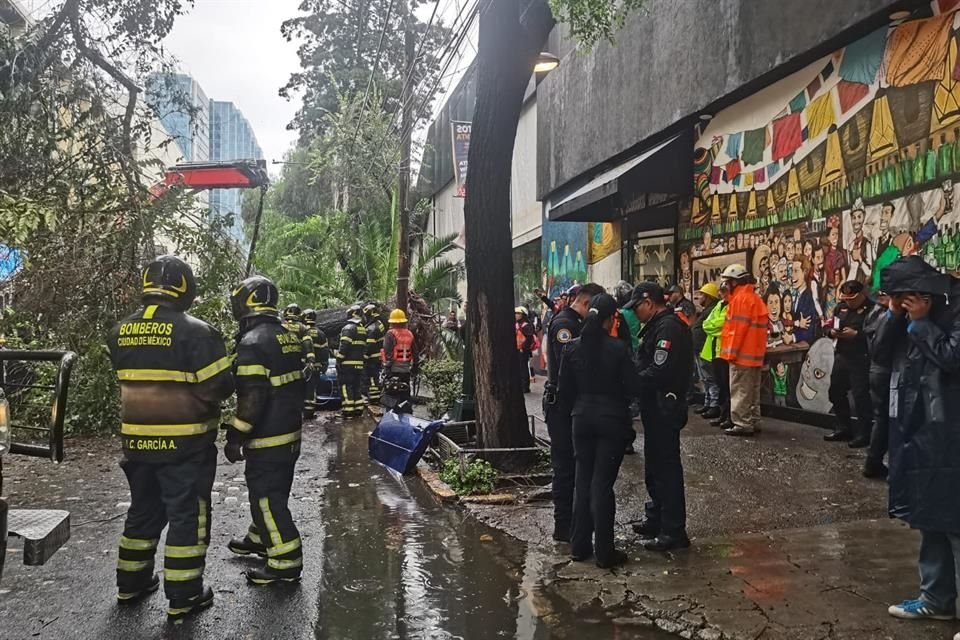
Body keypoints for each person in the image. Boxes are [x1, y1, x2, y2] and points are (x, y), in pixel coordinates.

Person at [107, 256, 234, 620]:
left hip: (137, 444)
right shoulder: (198, 332)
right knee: (186, 519)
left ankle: (130, 583)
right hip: (185, 446)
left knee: (143, 513)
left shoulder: (119, 332)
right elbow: (217, 389)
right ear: (185, 287)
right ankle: (184, 595)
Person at [872, 257, 960, 624]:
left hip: (950, 430)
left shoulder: (953, 310)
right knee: (931, 517)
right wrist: (895, 316)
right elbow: (878, 353)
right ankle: (935, 598)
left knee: (955, 521)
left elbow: (952, 357)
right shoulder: (905, 314)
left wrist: (922, 322)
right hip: (916, 428)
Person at [224, 276, 305, 585]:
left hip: (268, 437)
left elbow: (252, 398)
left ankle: (285, 562)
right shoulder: (287, 335)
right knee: (272, 493)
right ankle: (260, 538)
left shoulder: (253, 342)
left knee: (267, 499)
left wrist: (236, 436)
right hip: (288, 434)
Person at [558, 293, 640, 568]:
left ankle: (579, 545)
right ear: (610, 319)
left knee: (582, 481)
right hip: (611, 420)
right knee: (602, 484)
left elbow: (564, 390)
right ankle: (605, 551)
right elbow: (632, 386)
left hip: (580, 419)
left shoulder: (572, 349)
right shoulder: (618, 349)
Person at [625, 283, 693, 552]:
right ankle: (656, 517)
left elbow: (659, 371)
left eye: (637, 307)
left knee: (666, 469)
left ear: (648, 302)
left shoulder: (669, 328)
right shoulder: (657, 325)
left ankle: (673, 530)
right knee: (654, 467)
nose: (636, 313)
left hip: (666, 407)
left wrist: (630, 381)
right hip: (654, 408)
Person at [543, 282, 605, 542]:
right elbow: (568, 367)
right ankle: (563, 525)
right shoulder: (565, 325)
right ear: (587, 303)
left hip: (570, 403)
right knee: (565, 465)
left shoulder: (572, 321)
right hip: (562, 405)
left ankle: (572, 525)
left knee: (575, 464)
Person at [719, 263, 768, 437]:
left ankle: (741, 423)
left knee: (740, 390)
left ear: (734, 282)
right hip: (754, 355)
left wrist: (730, 354)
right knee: (752, 390)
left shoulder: (740, 300)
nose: (725, 285)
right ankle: (753, 420)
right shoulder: (755, 298)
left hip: (741, 355)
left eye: (728, 281)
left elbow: (736, 331)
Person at [823, 281, 874, 447]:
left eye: (852, 298)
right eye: (846, 298)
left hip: (861, 358)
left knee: (861, 397)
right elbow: (829, 327)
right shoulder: (840, 308)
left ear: (861, 295)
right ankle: (843, 428)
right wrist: (831, 332)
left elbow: (876, 335)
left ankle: (864, 434)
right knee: (835, 392)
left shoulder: (872, 310)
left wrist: (857, 335)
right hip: (842, 356)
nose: (849, 302)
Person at [862, 288, 890, 479]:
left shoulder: (873, 314)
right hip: (885, 370)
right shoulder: (887, 317)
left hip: (876, 369)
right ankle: (873, 463)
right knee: (886, 419)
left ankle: (873, 461)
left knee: (881, 418)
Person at [702, 282, 731, 428]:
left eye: (725, 291)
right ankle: (722, 414)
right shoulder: (719, 305)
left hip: (725, 352)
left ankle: (728, 416)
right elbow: (707, 324)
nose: (722, 294)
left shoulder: (731, 306)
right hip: (714, 351)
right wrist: (715, 326)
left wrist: (714, 326)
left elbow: (722, 325)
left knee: (726, 387)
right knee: (719, 385)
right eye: (721, 291)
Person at [691, 282, 721, 420]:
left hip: (706, 348)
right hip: (700, 348)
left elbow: (708, 327)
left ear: (708, 296)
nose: (700, 297)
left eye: (702, 294)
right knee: (705, 378)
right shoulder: (707, 310)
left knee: (709, 377)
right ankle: (708, 403)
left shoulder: (711, 310)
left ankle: (713, 404)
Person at [282, 303, 315, 415]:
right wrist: (310, 362)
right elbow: (308, 346)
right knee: (297, 387)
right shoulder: (303, 328)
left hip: (281, 363)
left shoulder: (280, 326)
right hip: (298, 363)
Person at [381, 309, 416, 413]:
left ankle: (391, 419)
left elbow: (388, 353)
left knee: (391, 398)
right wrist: (414, 368)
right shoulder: (410, 334)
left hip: (393, 370)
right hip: (406, 371)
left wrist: (387, 369)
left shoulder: (390, 334)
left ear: (392, 322)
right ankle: (406, 417)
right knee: (405, 397)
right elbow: (415, 353)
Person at [336, 304, 368, 419]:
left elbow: (344, 346)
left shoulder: (348, 328)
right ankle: (358, 409)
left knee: (346, 386)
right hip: (359, 365)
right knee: (356, 387)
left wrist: (338, 359)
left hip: (347, 365)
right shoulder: (363, 329)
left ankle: (348, 411)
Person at [301, 309, 330, 414]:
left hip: (301, 367)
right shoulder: (321, 334)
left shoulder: (301, 331)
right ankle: (309, 412)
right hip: (315, 367)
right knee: (311, 390)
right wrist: (324, 366)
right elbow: (325, 352)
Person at [363, 302, 385, 406]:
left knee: (371, 378)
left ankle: (373, 399)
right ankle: (375, 398)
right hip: (378, 356)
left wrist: (364, 357)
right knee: (375, 377)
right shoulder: (380, 324)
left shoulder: (371, 329)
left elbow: (369, 345)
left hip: (372, 358)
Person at [515, 307, 535, 393]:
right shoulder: (516, 324)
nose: (516, 315)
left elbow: (529, 338)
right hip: (517, 349)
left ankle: (525, 387)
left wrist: (524, 348)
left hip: (523, 350)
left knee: (523, 368)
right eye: (515, 313)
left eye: (518, 313)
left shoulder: (526, 325)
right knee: (519, 368)